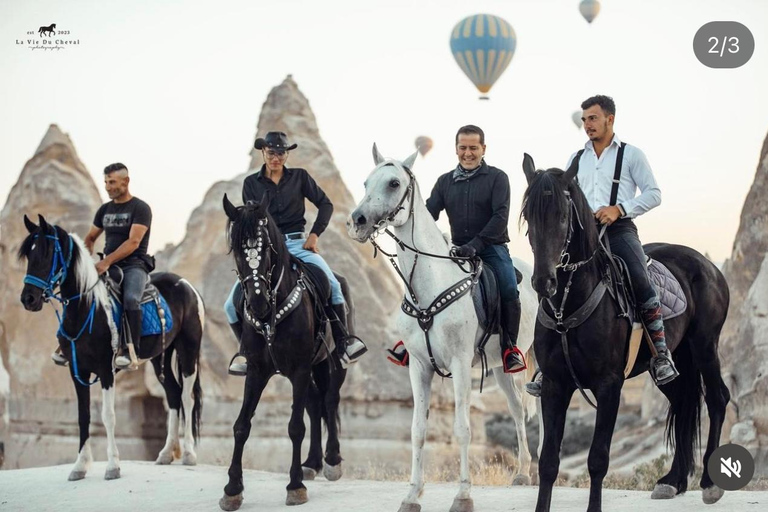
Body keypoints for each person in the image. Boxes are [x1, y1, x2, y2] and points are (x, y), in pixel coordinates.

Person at [526, 94, 678, 397]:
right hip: (583, 234)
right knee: (554, 280)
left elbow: (654, 193)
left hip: (619, 229)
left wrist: (619, 209)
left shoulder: (631, 155)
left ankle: (660, 354)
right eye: (583, 120)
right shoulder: (575, 158)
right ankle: (547, 364)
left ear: (610, 119)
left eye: (592, 118)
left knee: (639, 277)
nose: (587, 125)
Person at [224, 131, 367, 375]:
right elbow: (250, 219)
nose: (276, 158)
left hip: (296, 244)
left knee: (334, 283)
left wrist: (314, 235)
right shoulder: (251, 184)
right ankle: (247, 353)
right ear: (263, 152)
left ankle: (345, 342)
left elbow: (326, 204)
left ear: (287, 154)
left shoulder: (300, 177)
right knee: (229, 305)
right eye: (271, 153)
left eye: (281, 153)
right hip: (266, 248)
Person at [390, 125, 526, 373]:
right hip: (456, 250)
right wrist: (407, 225)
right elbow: (429, 213)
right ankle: (412, 343)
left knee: (508, 287)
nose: (468, 153)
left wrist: (475, 245)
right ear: (456, 149)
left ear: (483, 149)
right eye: (463, 147)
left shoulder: (498, 178)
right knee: (418, 280)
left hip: (491, 248)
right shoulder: (445, 181)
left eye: (474, 147)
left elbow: (500, 218)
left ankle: (510, 348)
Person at [52, 162, 153, 370]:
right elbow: (90, 237)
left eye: (113, 182)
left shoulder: (140, 208)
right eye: (106, 182)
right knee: (78, 293)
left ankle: (130, 349)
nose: (108, 187)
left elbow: (133, 242)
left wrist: (106, 261)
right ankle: (66, 340)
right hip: (108, 265)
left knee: (131, 298)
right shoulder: (104, 210)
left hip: (134, 265)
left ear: (126, 181)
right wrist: (85, 264)